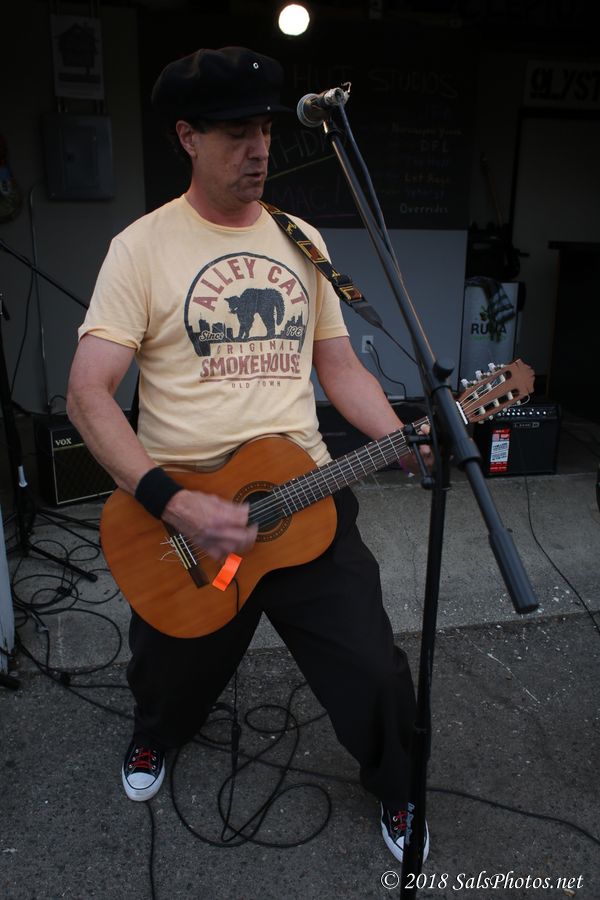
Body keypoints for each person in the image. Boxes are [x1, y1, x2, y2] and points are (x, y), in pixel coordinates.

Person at [66, 46, 430, 863]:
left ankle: (400, 792)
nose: (259, 148)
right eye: (236, 133)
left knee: (375, 671)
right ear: (187, 137)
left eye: (264, 129)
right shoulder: (141, 248)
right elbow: (88, 392)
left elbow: (339, 367)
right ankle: (156, 735)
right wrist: (172, 502)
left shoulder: (302, 240)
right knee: (168, 668)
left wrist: (399, 439)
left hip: (304, 503)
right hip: (186, 518)